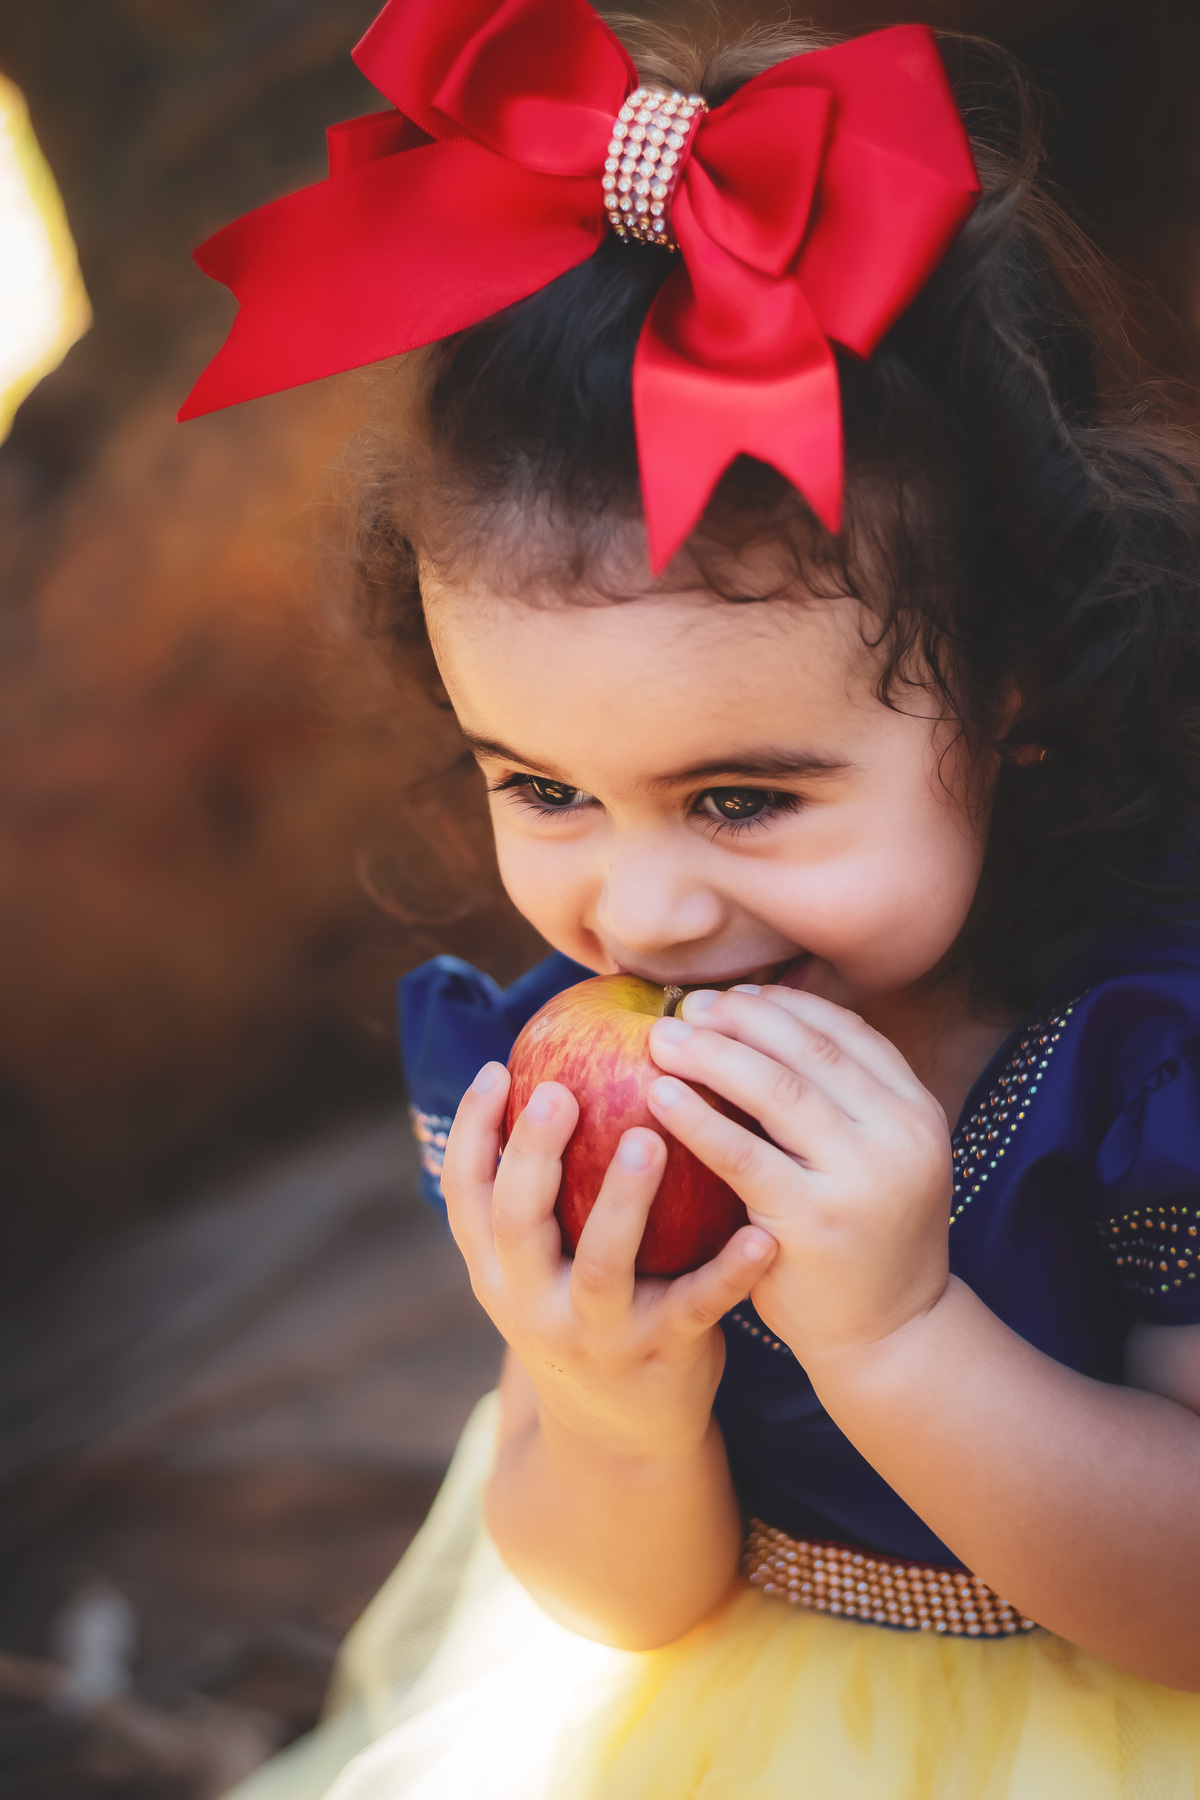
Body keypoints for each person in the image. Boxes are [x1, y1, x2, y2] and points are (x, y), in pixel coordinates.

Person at [187, 1, 1200, 1793]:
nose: (642, 915)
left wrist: (894, 1336)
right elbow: (617, 1604)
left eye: (743, 796)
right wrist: (605, 1398)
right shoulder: (538, 1080)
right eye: (545, 789)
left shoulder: (1148, 1065)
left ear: (1015, 695)